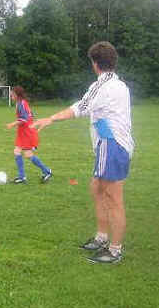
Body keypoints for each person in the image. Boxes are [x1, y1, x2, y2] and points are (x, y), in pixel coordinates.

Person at [32, 41, 133, 264]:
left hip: (112, 145)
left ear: (95, 63)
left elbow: (80, 107)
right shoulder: (119, 85)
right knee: (96, 188)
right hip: (113, 145)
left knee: (113, 197)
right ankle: (101, 237)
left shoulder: (104, 85)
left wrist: (51, 118)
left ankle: (114, 250)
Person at [6, 86, 52, 184]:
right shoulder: (21, 103)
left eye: (12, 94)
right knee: (17, 152)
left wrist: (12, 124)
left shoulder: (21, 104)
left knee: (28, 154)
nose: (10, 96)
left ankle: (47, 171)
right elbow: (30, 115)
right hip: (24, 132)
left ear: (17, 95)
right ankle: (22, 177)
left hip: (27, 133)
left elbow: (23, 119)